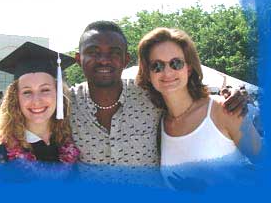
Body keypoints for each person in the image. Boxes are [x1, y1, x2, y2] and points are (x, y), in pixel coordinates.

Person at [70, 21, 248, 167]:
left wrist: (233, 95)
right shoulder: (65, 104)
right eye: (93, 52)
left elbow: (184, 94)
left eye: (114, 53)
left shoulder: (148, 96)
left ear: (126, 60)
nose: (103, 60)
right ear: (79, 59)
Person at [135, 27, 261, 167]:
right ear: (148, 73)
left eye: (176, 63)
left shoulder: (223, 110)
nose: (167, 72)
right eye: (157, 66)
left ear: (188, 68)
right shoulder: (159, 124)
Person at [0, 42, 80, 164]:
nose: (36, 101)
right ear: (15, 97)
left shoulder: (74, 139)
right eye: (27, 92)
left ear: (58, 93)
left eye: (45, 90)